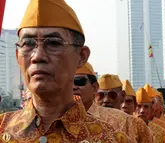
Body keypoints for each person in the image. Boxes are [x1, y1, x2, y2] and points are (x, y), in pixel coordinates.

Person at [0, 0, 129, 142]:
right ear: (18, 57)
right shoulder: (2, 130)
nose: (38, 56)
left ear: (81, 56)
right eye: (28, 44)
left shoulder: (111, 139)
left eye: (53, 43)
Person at [74, 65, 154, 143]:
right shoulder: (64, 118)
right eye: (101, 96)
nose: (106, 100)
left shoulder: (133, 123)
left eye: (112, 95)